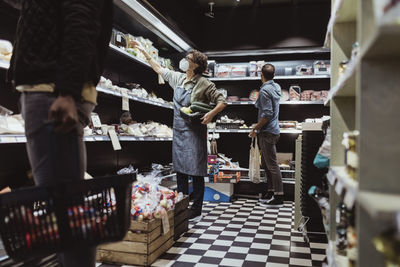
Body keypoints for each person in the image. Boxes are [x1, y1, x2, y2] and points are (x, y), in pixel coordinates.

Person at [8, 1, 113, 266]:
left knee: (66, 210)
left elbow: (81, 20)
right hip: (48, 90)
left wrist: (67, 91)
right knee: (64, 208)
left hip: (52, 93)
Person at [132, 41, 227, 221]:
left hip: (195, 131)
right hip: (179, 131)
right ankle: (182, 204)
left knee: (196, 171)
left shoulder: (205, 84)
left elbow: (222, 101)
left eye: (188, 59)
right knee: (181, 170)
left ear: (196, 65)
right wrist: (145, 53)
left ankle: (197, 207)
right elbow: (159, 69)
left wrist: (210, 115)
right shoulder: (178, 78)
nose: (184, 61)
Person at [249, 63, 284, 207]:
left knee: (272, 165)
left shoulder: (264, 91)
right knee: (266, 164)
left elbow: (267, 114)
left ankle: (279, 196)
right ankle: (271, 191)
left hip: (267, 131)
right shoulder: (277, 87)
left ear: (261, 75)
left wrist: (255, 129)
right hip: (273, 130)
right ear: (274, 75)